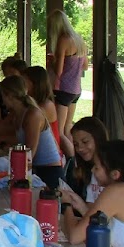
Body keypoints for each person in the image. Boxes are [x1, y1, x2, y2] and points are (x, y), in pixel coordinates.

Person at [0, 75, 63, 188]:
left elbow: (29, 153)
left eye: (3, 96)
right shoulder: (18, 114)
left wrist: (3, 145)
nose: (2, 100)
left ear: (9, 96)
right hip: (37, 169)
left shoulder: (32, 115)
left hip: (49, 173)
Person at [46, 9, 87, 153]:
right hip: (76, 90)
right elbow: (85, 66)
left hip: (63, 89)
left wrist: (52, 61)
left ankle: (65, 160)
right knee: (68, 127)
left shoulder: (63, 40)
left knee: (59, 131)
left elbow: (59, 71)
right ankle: (75, 160)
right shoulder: (79, 39)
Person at [64, 117, 109, 204]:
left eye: (85, 142)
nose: (79, 148)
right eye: (76, 144)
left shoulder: (112, 168)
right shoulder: (83, 170)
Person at [22, 66, 61, 153]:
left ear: (34, 83)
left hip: (50, 154)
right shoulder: (32, 104)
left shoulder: (46, 105)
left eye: (24, 82)